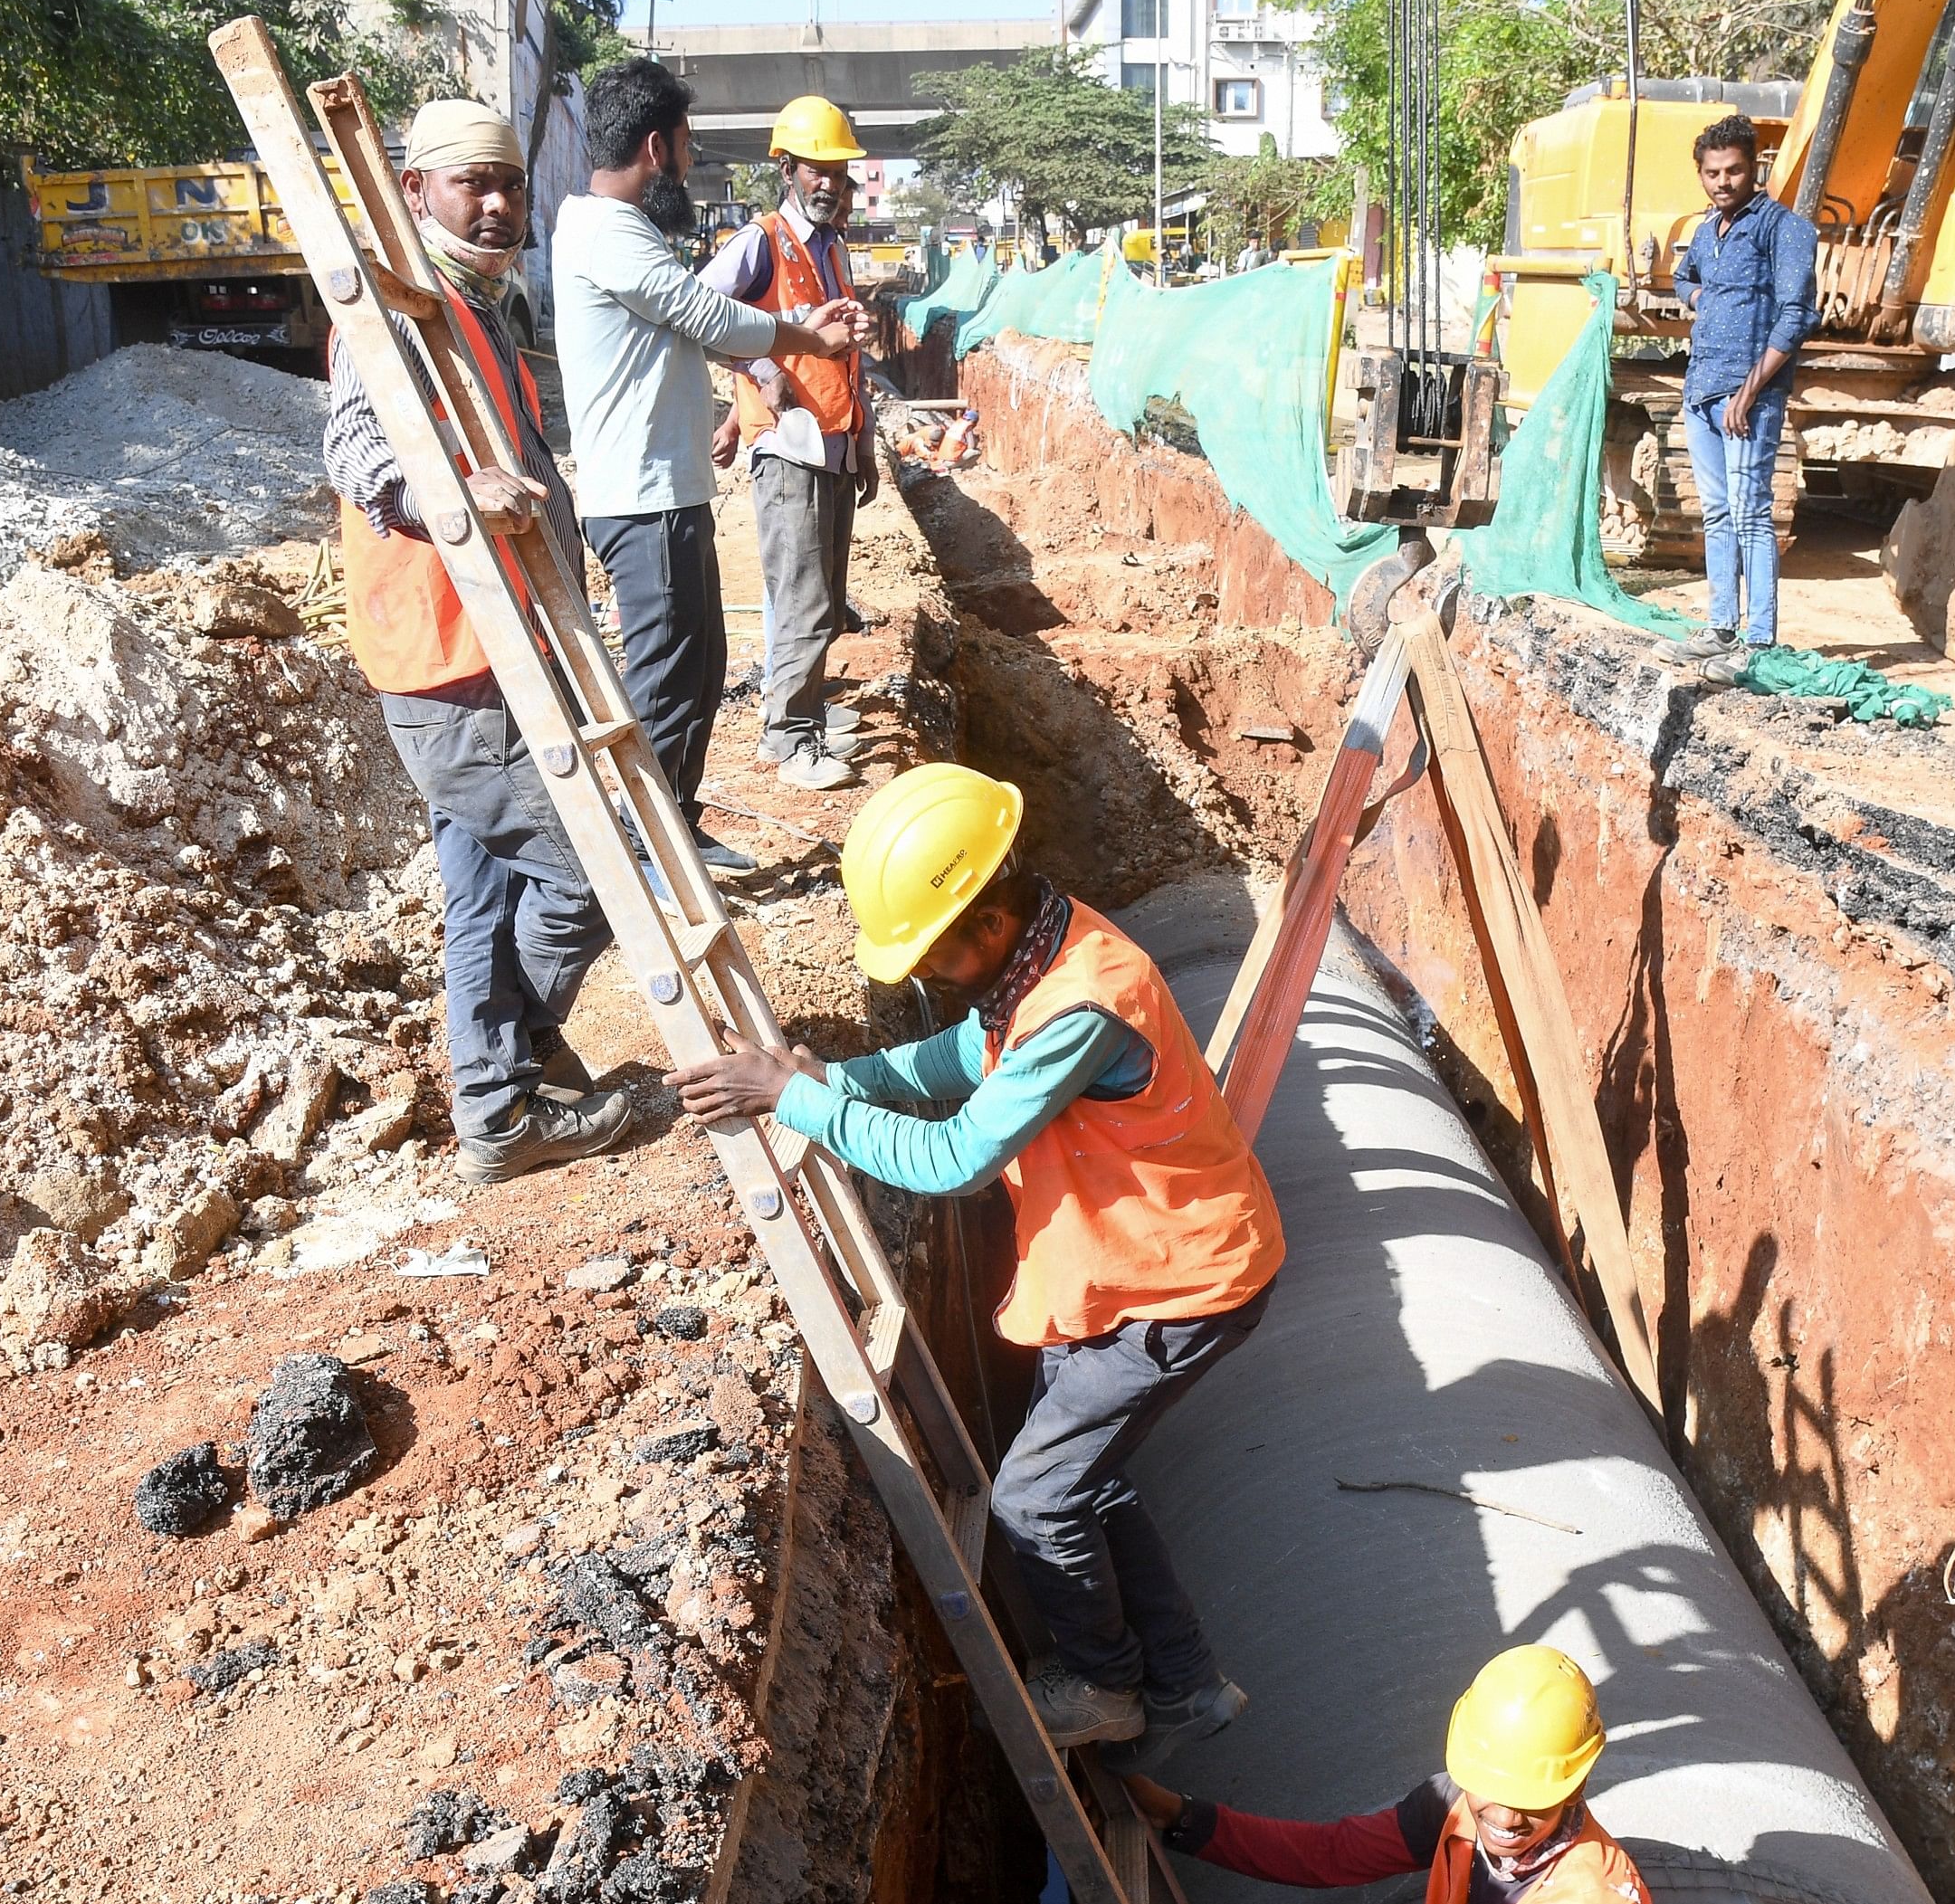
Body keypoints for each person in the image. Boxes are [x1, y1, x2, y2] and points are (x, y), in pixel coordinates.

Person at [665, 764, 1284, 1751]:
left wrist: (796, 1101)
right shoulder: (1043, 945)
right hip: (1122, 1270)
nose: (919, 974)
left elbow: (954, 1157)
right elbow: (966, 1054)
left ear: (987, 926)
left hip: (1181, 1282)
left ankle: (1108, 1685)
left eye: (929, 953)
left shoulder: (1081, 1000)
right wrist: (842, 1075)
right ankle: (1186, 1684)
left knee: (1038, 1496)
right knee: (1086, 1477)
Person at [319, 99, 629, 1185]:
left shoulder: (478, 306)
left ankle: (500, 1101)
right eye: (469, 184)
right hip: (452, 656)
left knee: (486, 893)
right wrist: (447, 493)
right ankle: (517, 1065)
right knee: (592, 873)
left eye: (507, 182)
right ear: (415, 191)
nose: (497, 204)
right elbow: (358, 450)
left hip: (498, 644)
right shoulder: (396, 312)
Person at [553, 59, 869, 876]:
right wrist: (806, 339)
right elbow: (704, 312)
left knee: (700, 671)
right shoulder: (605, 231)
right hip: (642, 496)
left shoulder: (622, 232)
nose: (691, 167)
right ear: (657, 146)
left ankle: (678, 826)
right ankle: (646, 854)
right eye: (689, 149)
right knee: (665, 682)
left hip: (674, 488)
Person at [1122, 1646, 1654, 1903]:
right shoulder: (1452, 1806)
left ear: (1577, 1785)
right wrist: (1183, 1817)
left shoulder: (1590, 1896)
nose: (1507, 1817)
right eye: (1492, 1786)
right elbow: (1331, 1854)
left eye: (1531, 1796)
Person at [700, 95, 879, 795]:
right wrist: (763, 371)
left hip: (831, 445)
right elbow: (700, 316)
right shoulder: (760, 241)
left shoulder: (832, 250)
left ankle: (800, 710)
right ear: (786, 168)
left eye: (837, 168)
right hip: (789, 450)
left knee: (825, 599)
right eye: (815, 168)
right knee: (802, 600)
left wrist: (861, 437)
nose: (829, 181)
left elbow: (842, 357)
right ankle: (788, 737)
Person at [1667, 113, 1815, 666]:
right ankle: (1721, 627)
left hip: (1748, 399)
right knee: (1715, 513)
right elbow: (1685, 277)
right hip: (1703, 390)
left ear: (1754, 169)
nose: (1722, 181)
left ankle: (1758, 641)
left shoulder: (1784, 228)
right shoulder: (1709, 232)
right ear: (1702, 175)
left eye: (1733, 170)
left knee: (1751, 512)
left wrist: (1749, 393)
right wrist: (1701, 300)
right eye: (1712, 173)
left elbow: (1797, 317)